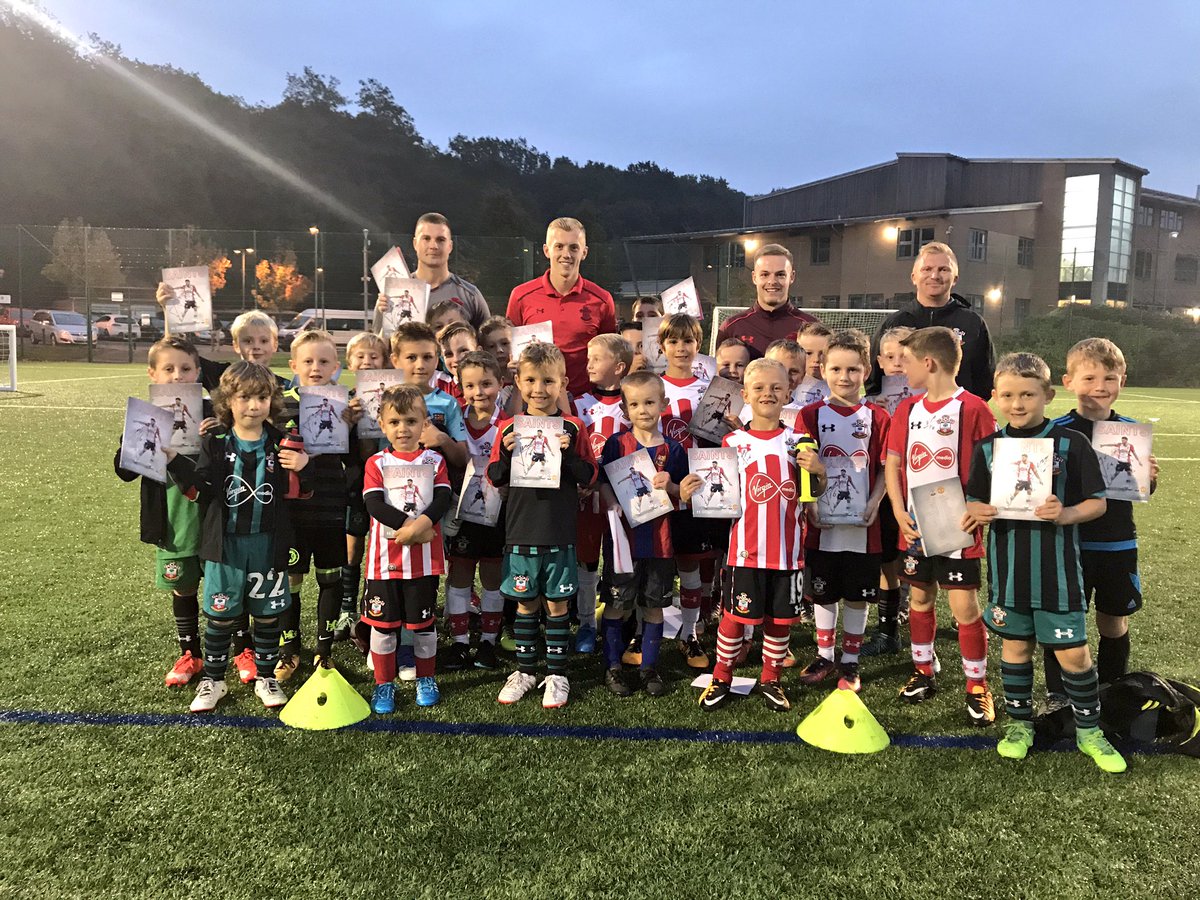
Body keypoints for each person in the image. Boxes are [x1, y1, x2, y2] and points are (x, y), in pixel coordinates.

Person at [964, 353, 1127, 773]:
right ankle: (1020, 726)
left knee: (1073, 654)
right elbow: (973, 500)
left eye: (1028, 394)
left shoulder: (1072, 444)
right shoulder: (987, 449)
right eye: (1008, 395)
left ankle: (1090, 729)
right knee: (1016, 649)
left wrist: (1067, 513)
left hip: (1057, 573)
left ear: (1047, 395)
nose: (1018, 404)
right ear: (996, 396)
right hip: (1008, 571)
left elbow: (1098, 503)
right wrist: (976, 511)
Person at [166, 361, 310, 713]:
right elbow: (200, 486)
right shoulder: (215, 441)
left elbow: (301, 493)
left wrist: (306, 469)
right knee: (220, 615)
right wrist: (172, 458)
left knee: (266, 614)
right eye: (244, 397)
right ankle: (213, 680)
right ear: (228, 400)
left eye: (261, 397)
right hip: (226, 545)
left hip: (267, 543)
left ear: (271, 400)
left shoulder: (282, 442)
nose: (253, 405)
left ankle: (265, 676)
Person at [685, 358, 826, 711]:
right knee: (734, 617)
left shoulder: (799, 443)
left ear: (788, 393)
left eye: (776, 387)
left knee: (780, 622)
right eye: (759, 388)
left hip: (788, 552)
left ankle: (771, 679)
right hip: (744, 551)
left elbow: (813, 493)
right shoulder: (732, 442)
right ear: (745, 394)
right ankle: (721, 676)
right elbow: (715, 493)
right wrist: (693, 488)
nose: (768, 393)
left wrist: (819, 472)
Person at [885, 327, 996, 725]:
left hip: (956, 527)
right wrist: (898, 511)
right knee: (919, 599)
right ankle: (923, 670)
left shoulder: (974, 409)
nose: (902, 369)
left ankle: (977, 686)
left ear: (927, 363)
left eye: (907, 362)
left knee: (964, 606)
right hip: (915, 524)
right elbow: (894, 462)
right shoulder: (907, 410)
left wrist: (981, 507)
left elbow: (992, 467)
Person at [1043, 338, 1160, 703]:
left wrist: (1149, 480)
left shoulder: (1130, 433)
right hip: (1068, 543)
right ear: (1069, 382)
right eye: (1090, 377)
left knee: (1113, 620)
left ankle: (1113, 690)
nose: (1100, 387)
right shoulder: (1054, 431)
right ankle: (1058, 693)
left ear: (1122, 382)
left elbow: (1136, 491)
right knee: (1064, 621)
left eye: (1109, 378)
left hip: (1117, 542)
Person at [486, 342, 599, 709]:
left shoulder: (573, 427)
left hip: (559, 531)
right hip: (520, 531)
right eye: (531, 380)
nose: (539, 389)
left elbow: (589, 476)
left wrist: (567, 455)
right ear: (518, 382)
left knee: (556, 605)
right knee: (524, 605)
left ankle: (557, 674)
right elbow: (495, 477)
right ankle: (524, 670)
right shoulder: (508, 428)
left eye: (548, 381)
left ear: (563, 382)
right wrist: (504, 452)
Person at [114, 336, 219, 687]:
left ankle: (241, 648)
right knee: (184, 588)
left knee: (226, 586)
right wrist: (139, 442)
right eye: (169, 369)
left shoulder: (212, 412)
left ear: (198, 373)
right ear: (153, 374)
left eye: (186, 368)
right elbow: (125, 471)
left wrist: (213, 435)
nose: (177, 375)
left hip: (213, 518)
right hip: (173, 521)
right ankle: (191, 653)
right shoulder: (145, 416)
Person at [796, 329, 890, 694]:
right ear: (823, 370)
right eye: (836, 369)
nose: (844, 377)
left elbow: (885, 467)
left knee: (857, 594)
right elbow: (803, 467)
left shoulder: (878, 418)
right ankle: (824, 654)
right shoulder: (809, 415)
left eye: (853, 369)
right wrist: (810, 503)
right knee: (823, 591)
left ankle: (849, 661)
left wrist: (875, 501)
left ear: (866, 370)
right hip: (823, 521)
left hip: (863, 523)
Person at [361, 384, 453, 713]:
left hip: (424, 562)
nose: (404, 429)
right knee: (384, 627)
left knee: (423, 626)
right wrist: (411, 528)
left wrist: (419, 527)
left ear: (424, 423)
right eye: (396, 422)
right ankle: (383, 685)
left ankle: (426, 678)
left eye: (412, 421)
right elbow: (373, 504)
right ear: (383, 425)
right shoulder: (376, 462)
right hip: (385, 561)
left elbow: (442, 498)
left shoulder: (434, 460)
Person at [598, 371, 688, 697]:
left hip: (660, 543)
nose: (643, 410)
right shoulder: (616, 444)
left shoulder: (674, 450)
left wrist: (673, 485)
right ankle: (613, 667)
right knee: (617, 604)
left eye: (649, 402)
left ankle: (649, 668)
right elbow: (604, 482)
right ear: (625, 409)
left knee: (654, 606)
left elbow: (683, 492)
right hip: (624, 542)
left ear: (663, 404)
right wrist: (612, 505)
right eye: (635, 404)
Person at [275, 330, 353, 680]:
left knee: (330, 578)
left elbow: (355, 462)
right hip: (292, 514)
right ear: (293, 365)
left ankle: (324, 650)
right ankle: (288, 649)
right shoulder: (278, 404)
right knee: (291, 578)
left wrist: (356, 424)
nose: (316, 367)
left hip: (331, 507)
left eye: (324, 361)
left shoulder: (346, 404)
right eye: (308, 361)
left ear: (337, 366)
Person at [444, 350, 510, 671]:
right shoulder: (453, 420)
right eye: (470, 386)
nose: (478, 392)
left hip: (496, 514)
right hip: (460, 513)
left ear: (500, 383)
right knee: (460, 576)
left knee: (492, 577)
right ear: (460, 387)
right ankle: (459, 644)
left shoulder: (508, 425)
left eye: (486, 384)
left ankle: (487, 641)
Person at [865, 242, 995, 400]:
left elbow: (985, 381)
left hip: (955, 420)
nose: (935, 276)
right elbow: (874, 382)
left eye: (943, 269)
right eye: (927, 269)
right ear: (914, 277)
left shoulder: (973, 323)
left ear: (955, 278)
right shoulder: (894, 322)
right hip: (905, 420)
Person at [505, 217, 617, 397]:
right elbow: (510, 348)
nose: (566, 254)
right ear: (546, 250)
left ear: (584, 252)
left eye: (574, 247)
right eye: (559, 246)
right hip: (535, 402)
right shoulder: (521, 296)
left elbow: (608, 357)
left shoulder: (602, 300)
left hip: (585, 402)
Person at [572, 333, 634, 652]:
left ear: (619, 367)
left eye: (597, 359)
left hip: (620, 499)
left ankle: (622, 619)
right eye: (588, 358)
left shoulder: (632, 404)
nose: (589, 364)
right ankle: (584, 624)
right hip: (586, 498)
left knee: (620, 560)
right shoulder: (579, 402)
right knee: (585, 563)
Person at [656, 313, 710, 668]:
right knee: (652, 564)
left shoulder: (709, 389)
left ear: (698, 345)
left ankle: (690, 632)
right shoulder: (649, 386)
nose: (680, 348)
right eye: (673, 341)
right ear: (661, 346)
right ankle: (642, 628)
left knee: (691, 564)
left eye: (687, 341)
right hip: (658, 487)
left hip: (695, 488)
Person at [862, 326, 917, 656]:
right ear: (880, 361)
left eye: (905, 356)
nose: (898, 364)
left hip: (920, 490)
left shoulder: (928, 399)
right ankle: (887, 631)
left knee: (918, 563)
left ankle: (918, 633)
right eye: (891, 357)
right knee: (887, 561)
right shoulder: (870, 403)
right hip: (886, 490)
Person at [337, 331, 390, 640]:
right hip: (359, 479)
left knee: (383, 545)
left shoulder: (394, 395)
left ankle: (374, 604)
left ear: (385, 362)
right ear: (349, 362)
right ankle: (347, 608)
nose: (368, 361)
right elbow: (360, 453)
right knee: (354, 542)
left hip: (392, 479)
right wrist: (350, 423)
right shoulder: (347, 401)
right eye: (361, 356)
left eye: (374, 356)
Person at [372, 213, 490, 330]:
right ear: (415, 243)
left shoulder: (470, 296)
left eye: (440, 240)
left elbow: (488, 343)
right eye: (426, 238)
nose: (433, 246)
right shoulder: (392, 295)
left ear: (450, 246)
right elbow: (378, 345)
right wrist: (381, 309)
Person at [388, 321, 468, 470]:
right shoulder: (385, 401)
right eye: (411, 357)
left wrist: (442, 439)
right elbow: (368, 452)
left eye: (427, 357)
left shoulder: (448, 403)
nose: (420, 365)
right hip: (391, 486)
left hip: (438, 488)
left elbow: (462, 459)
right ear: (395, 360)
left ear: (436, 360)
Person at [714, 244, 816, 359]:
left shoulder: (811, 327)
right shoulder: (732, 327)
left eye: (780, 275)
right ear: (754, 277)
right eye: (765, 274)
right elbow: (720, 372)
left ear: (792, 277)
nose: (772, 281)